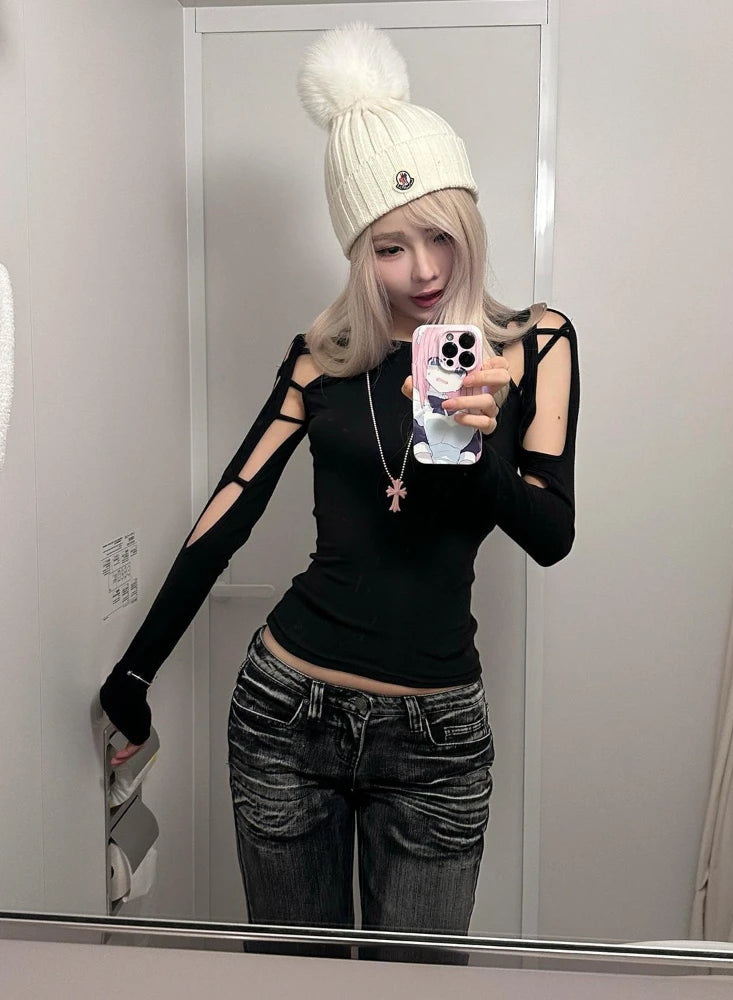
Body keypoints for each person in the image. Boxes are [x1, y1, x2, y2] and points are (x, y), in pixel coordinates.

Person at [99, 22, 579, 964]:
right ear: (359, 252)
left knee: (416, 983)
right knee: (296, 981)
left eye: (441, 235)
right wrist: (137, 672)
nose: (424, 270)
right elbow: (229, 512)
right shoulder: (320, 360)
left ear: (470, 224)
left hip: (438, 739)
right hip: (287, 714)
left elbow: (551, 533)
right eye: (390, 246)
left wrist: (482, 449)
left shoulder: (536, 344)